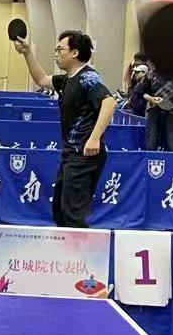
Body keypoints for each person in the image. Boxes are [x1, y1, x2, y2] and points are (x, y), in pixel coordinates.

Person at [13, 29, 118, 228]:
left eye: (60, 49)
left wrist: (94, 138)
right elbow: (41, 79)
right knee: (60, 212)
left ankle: (82, 248)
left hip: (85, 155)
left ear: (75, 53)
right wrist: (27, 52)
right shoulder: (67, 79)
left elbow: (109, 102)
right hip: (71, 154)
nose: (56, 54)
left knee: (72, 215)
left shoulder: (88, 77)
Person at [142, 65, 173, 151]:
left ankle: (172, 159)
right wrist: (150, 98)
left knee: (172, 145)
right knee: (151, 143)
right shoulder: (151, 74)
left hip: (172, 113)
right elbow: (141, 92)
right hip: (154, 111)